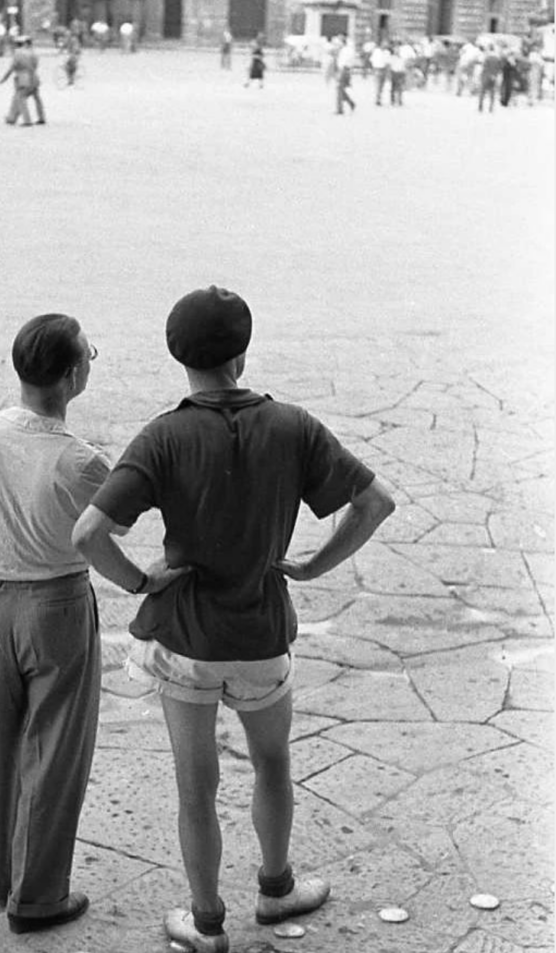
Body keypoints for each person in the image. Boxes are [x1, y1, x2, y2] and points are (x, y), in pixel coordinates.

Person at [73, 286, 395, 953]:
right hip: (261, 632)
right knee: (272, 761)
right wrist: (312, 564)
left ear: (177, 355)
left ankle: (206, 920)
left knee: (197, 785)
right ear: (242, 356)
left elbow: (88, 532)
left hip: (186, 637)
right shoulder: (293, 425)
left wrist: (140, 581)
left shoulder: (163, 435)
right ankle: (277, 886)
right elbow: (374, 501)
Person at [0, 314, 112, 936]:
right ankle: (39, 895)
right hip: (57, 606)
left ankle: (1, 878)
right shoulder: (81, 463)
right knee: (54, 753)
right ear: (73, 376)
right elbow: (107, 532)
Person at [0, 36, 46, 127]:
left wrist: (4, 78)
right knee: (37, 98)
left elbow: (12, 67)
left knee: (21, 98)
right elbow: (36, 65)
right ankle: (41, 117)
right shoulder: (33, 53)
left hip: (23, 77)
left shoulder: (18, 54)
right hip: (34, 77)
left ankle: (27, 120)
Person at [478, 44, 501, 112]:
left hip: (486, 76)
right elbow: (499, 69)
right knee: (492, 92)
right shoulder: (497, 58)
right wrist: (495, 75)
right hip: (493, 77)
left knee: (482, 91)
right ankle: (491, 107)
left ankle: (480, 106)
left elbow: (484, 67)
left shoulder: (487, 57)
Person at [335, 41, 356, 114]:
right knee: (340, 89)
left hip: (343, 70)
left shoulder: (345, 50)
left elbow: (341, 62)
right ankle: (351, 103)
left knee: (339, 89)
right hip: (348, 71)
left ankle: (340, 109)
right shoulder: (352, 51)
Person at [371, 38, 391, 105]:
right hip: (377, 69)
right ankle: (377, 99)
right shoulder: (376, 51)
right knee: (377, 85)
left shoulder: (387, 52)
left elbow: (388, 63)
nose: (385, 46)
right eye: (384, 44)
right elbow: (372, 60)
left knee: (381, 86)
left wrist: (388, 73)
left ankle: (379, 98)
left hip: (384, 69)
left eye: (386, 45)